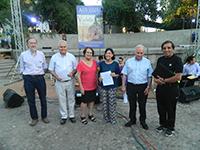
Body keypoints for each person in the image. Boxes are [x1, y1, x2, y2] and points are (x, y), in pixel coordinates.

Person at [153, 40, 183, 137]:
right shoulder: (160, 60)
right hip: (160, 88)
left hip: (172, 89)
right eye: (164, 48)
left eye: (169, 48)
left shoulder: (177, 60)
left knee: (170, 109)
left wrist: (165, 80)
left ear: (173, 49)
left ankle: (170, 127)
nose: (166, 50)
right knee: (160, 108)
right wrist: (156, 80)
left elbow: (178, 77)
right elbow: (156, 74)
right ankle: (162, 124)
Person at [121, 44, 153, 130]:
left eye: (141, 53)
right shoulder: (129, 61)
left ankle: (143, 121)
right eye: (138, 52)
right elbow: (124, 74)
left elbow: (150, 76)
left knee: (142, 105)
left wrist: (148, 87)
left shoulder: (147, 62)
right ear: (135, 52)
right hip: (131, 85)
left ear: (144, 53)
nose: (139, 54)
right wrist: (123, 85)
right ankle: (132, 120)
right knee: (132, 104)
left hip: (143, 86)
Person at [19, 37, 49, 126]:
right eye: (30, 43)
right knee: (31, 100)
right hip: (28, 79)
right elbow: (21, 68)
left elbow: (44, 66)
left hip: (40, 78)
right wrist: (25, 77)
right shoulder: (23, 55)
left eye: (34, 43)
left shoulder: (41, 54)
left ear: (36, 44)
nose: (33, 45)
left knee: (43, 98)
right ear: (27, 45)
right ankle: (34, 118)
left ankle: (44, 116)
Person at [48, 40, 77, 125]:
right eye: (61, 47)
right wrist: (56, 76)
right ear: (58, 47)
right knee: (61, 99)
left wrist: (72, 73)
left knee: (71, 98)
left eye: (64, 47)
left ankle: (71, 115)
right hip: (59, 82)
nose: (63, 48)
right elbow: (50, 69)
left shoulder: (71, 56)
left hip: (70, 81)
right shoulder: (54, 57)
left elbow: (75, 68)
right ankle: (64, 116)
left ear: (67, 47)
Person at [98, 48, 120, 124]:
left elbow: (119, 74)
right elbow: (98, 74)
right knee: (104, 103)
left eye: (110, 53)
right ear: (104, 54)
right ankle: (106, 118)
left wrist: (115, 75)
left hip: (112, 87)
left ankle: (113, 118)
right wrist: (99, 78)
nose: (108, 55)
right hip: (103, 86)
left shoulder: (115, 64)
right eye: (107, 53)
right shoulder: (101, 64)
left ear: (112, 55)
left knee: (112, 102)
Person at [76, 47, 98, 124]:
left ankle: (90, 114)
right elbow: (78, 76)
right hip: (84, 87)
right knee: (84, 102)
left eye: (90, 53)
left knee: (92, 101)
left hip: (93, 85)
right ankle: (82, 115)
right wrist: (80, 87)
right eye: (87, 52)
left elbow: (96, 73)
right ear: (84, 53)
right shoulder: (81, 64)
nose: (89, 54)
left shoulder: (95, 62)